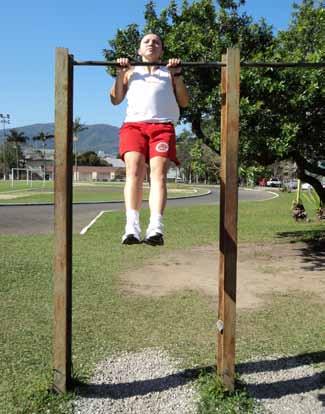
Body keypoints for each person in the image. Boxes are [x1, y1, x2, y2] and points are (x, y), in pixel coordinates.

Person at [110, 33, 189, 245]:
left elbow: (184, 101)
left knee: (159, 175)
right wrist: (120, 74)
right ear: (139, 50)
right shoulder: (131, 72)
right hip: (134, 126)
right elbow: (115, 99)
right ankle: (131, 227)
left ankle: (155, 227)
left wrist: (178, 75)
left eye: (156, 42)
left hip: (162, 126)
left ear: (162, 50)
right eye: (147, 41)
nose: (151, 44)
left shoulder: (169, 72)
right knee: (134, 171)